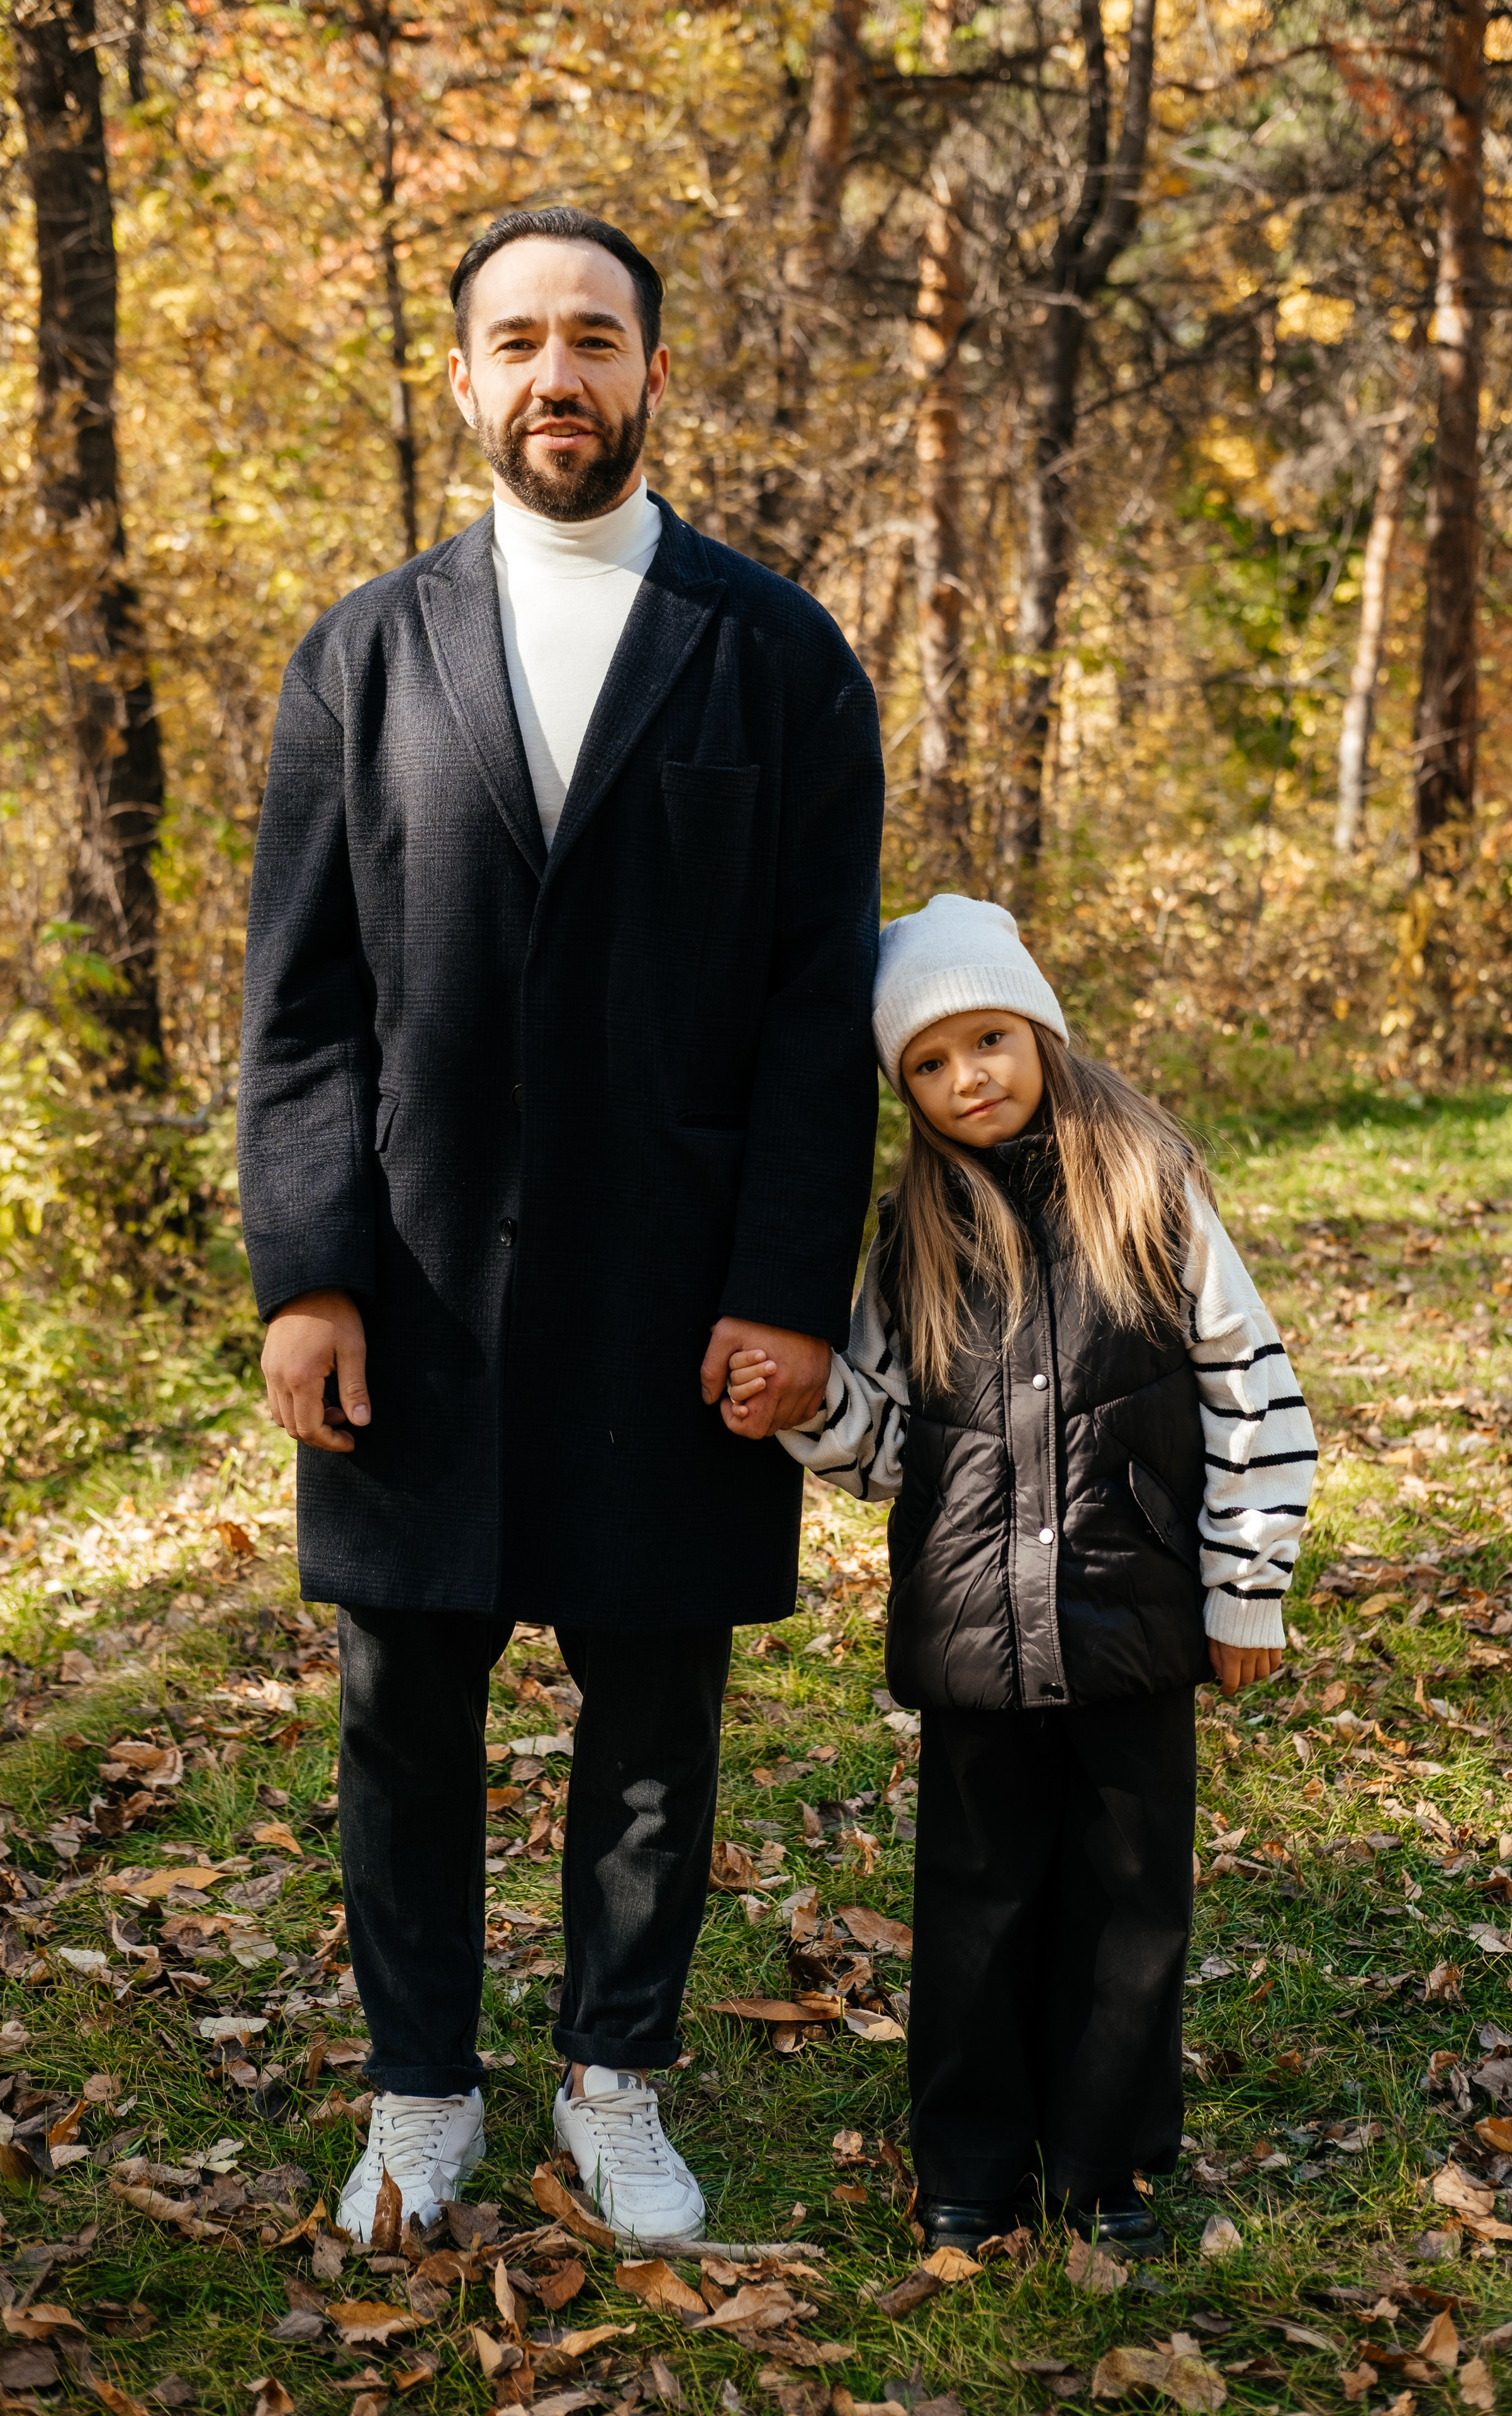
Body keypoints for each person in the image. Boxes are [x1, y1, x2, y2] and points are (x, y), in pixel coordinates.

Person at [237, 206, 882, 2249]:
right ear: (461, 378)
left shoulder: (774, 653)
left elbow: (812, 1005)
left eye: (592, 337)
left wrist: (790, 1292)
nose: (555, 375)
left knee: (656, 1720)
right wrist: (308, 1271)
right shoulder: (358, 653)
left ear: (654, 373)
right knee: (400, 1713)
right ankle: (420, 2090)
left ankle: (616, 2079)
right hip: (414, 1292)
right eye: (515, 340)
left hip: (672, 1300)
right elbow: (302, 1001)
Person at [725, 894, 1315, 2255]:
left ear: (1040, 1029)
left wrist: (1245, 1589)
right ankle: (968, 2171)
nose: (963, 1078)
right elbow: (882, 1453)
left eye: (986, 1038)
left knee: (1125, 1908)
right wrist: (801, 1408)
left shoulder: (1149, 1192)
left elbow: (1252, 1390)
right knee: (977, 1913)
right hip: (975, 1640)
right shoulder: (910, 1236)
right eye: (925, 1065)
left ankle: (1104, 2171)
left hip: (1136, 1625)